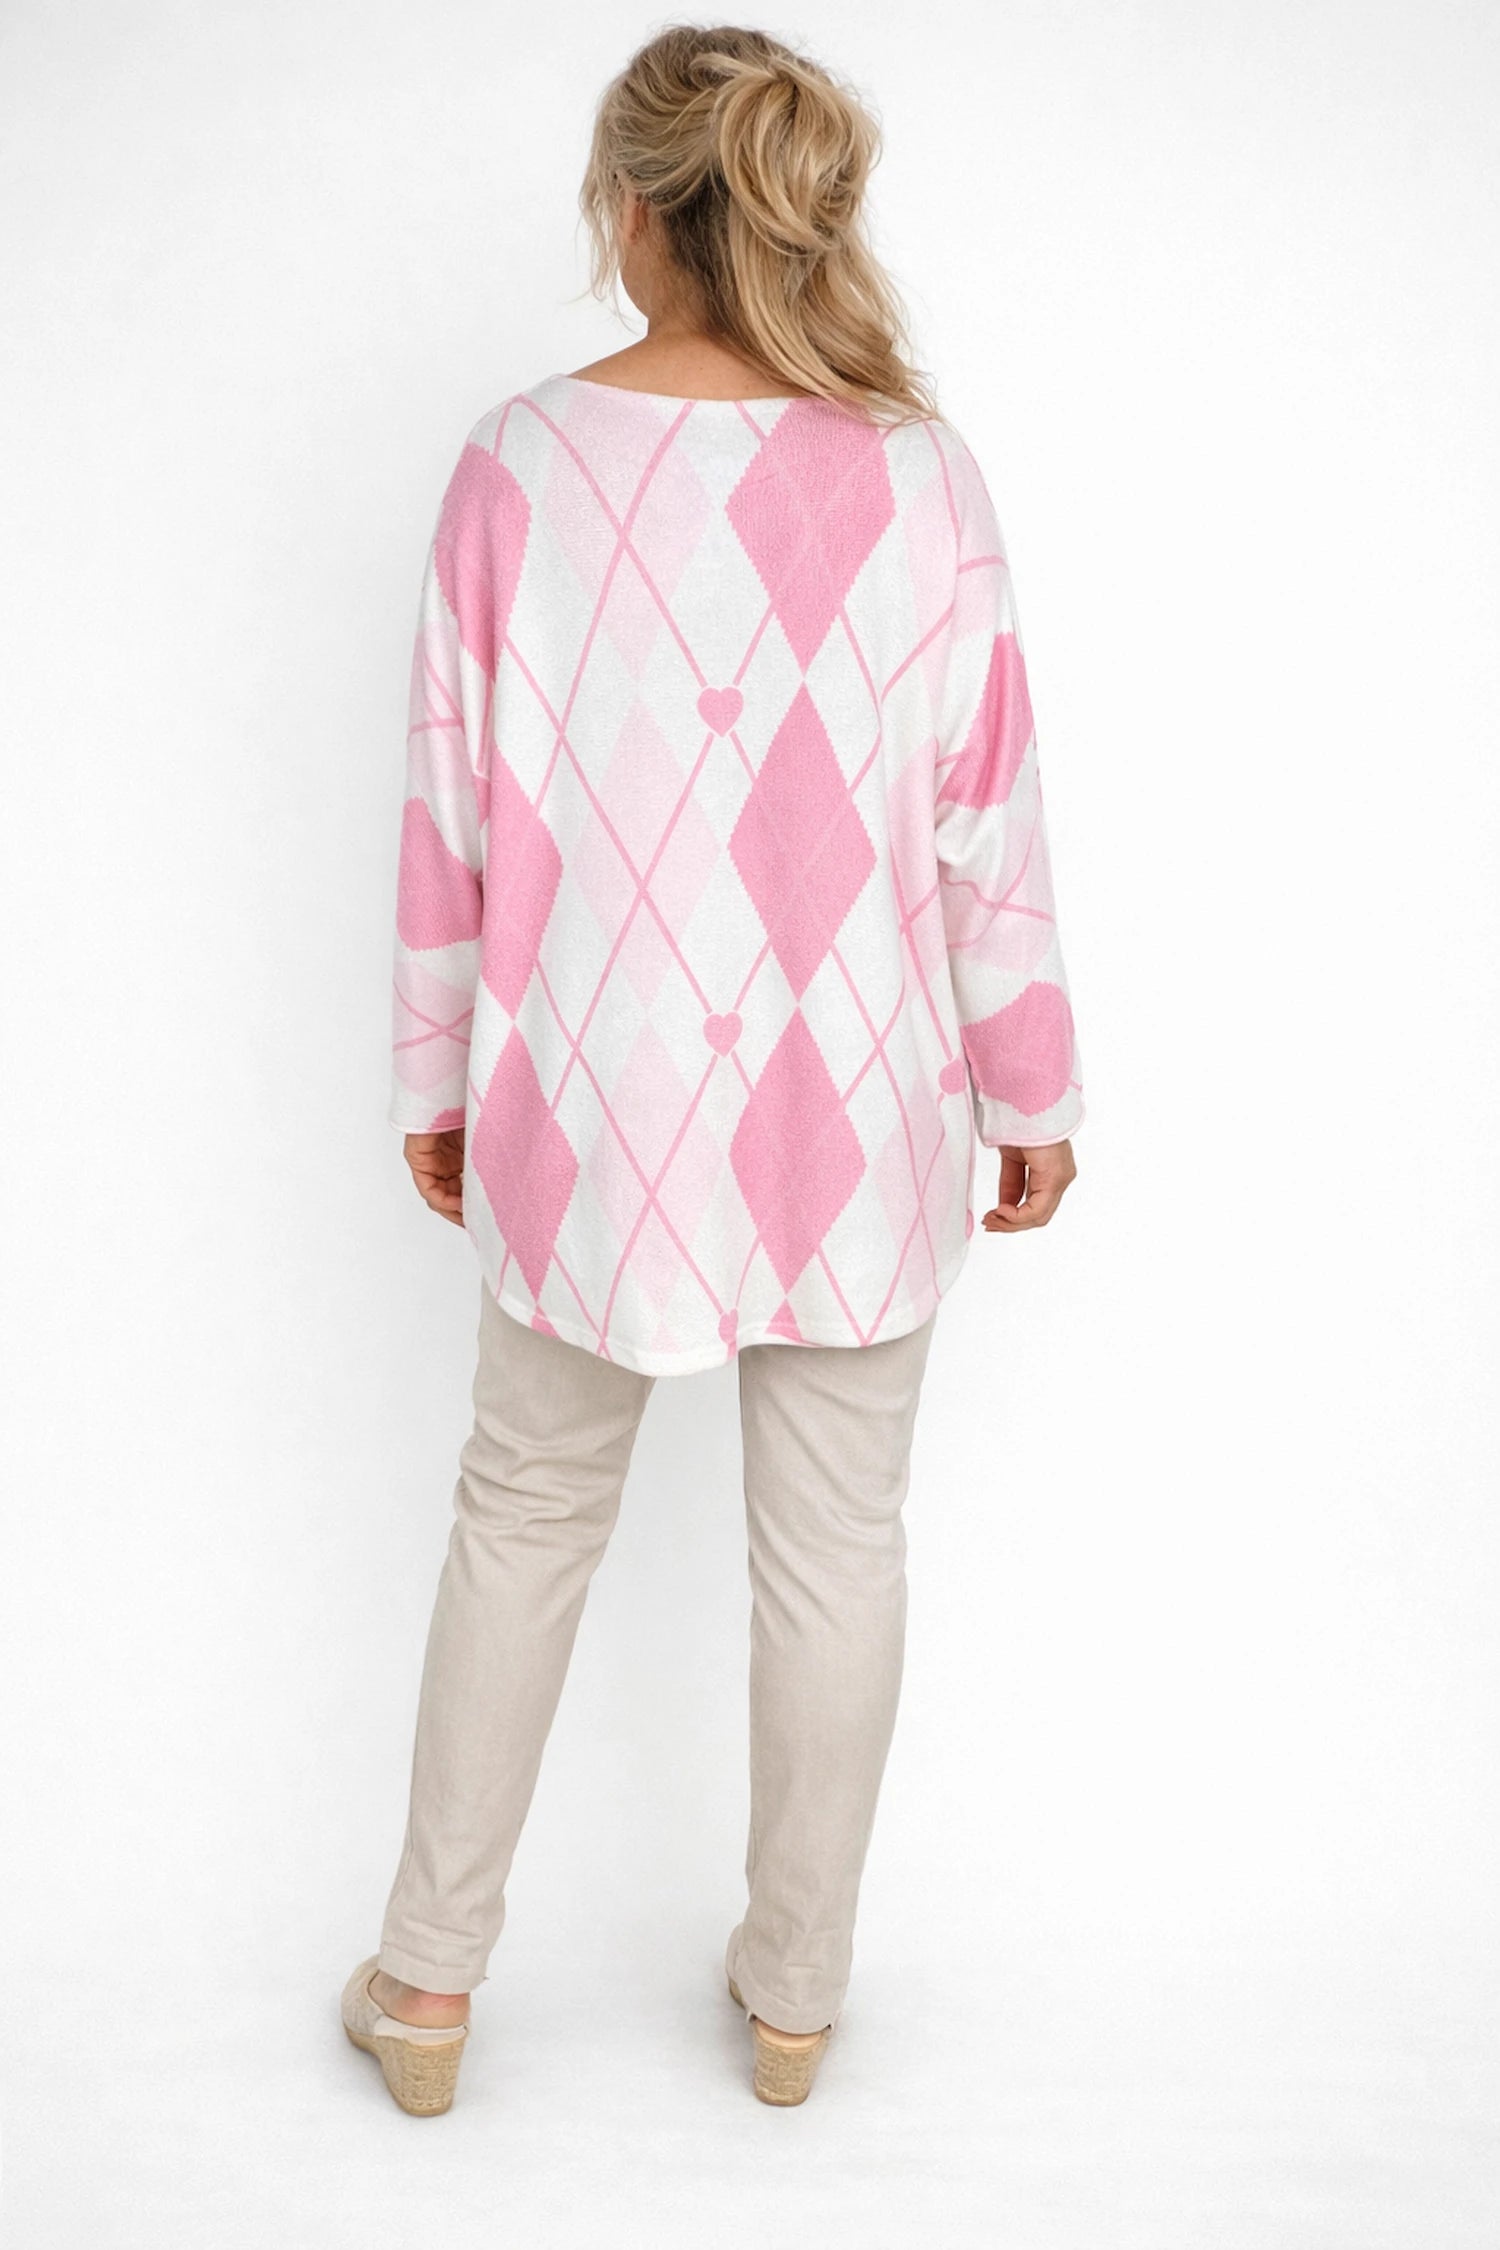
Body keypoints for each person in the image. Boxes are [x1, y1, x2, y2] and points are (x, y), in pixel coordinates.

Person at [341, 22, 1083, 2116]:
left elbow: (452, 810)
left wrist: (435, 1074)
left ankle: (426, 1988)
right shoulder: (924, 474)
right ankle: (794, 2001)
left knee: (522, 1513)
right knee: (839, 1543)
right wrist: (1030, 1088)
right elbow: (986, 821)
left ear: (629, 206)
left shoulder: (516, 464)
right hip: (856, 1104)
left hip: (588, 1094)